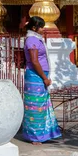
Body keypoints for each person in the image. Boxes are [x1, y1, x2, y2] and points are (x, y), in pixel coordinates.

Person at [22, 16, 61, 145]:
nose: (43, 29)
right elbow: (34, 61)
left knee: (42, 105)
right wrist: (44, 78)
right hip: (35, 76)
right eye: (41, 27)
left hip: (40, 74)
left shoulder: (36, 39)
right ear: (34, 28)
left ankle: (43, 133)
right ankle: (34, 136)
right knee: (35, 106)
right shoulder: (32, 40)